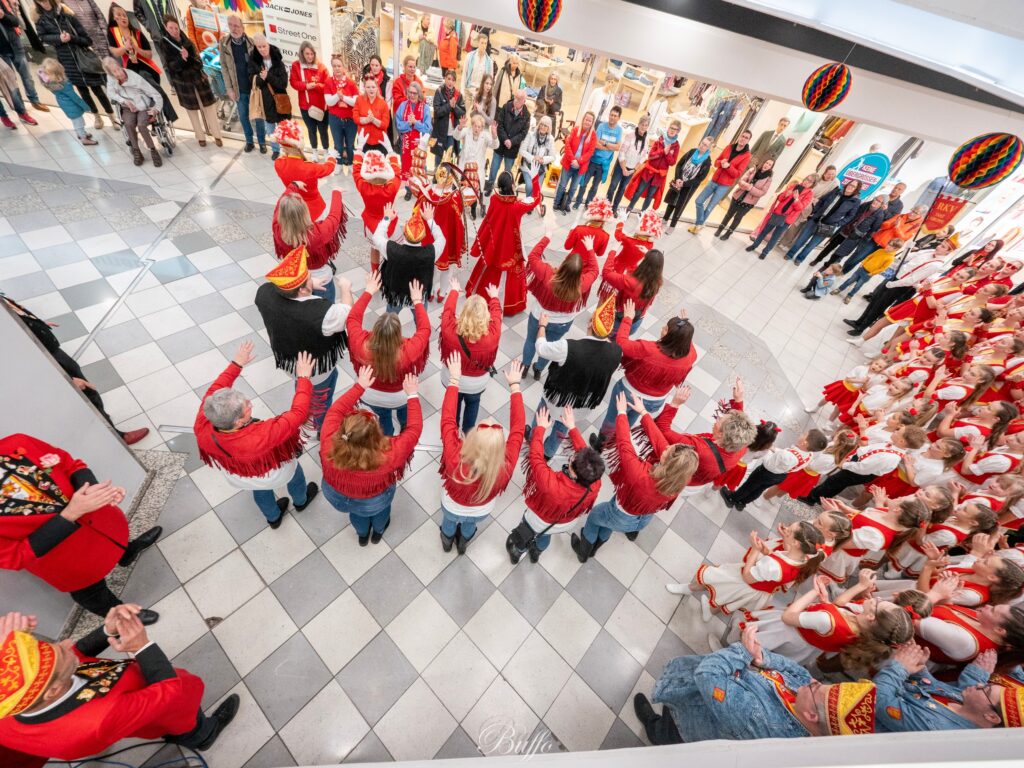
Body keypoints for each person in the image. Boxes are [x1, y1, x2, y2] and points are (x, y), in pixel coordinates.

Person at [0, 607, 239, 764]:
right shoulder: (98, 720)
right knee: (186, 721)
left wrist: (107, 630)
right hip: (158, 703)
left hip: (138, 712)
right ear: (52, 691)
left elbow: (74, 656)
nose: (67, 643)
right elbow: (170, 692)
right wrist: (142, 646)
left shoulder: (19, 702)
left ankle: (175, 734)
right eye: (62, 653)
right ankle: (203, 735)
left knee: (161, 726)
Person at [0, 433, 161, 621]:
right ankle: (123, 617)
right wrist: (70, 514)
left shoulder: (17, 442)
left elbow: (70, 464)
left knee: (116, 542)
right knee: (92, 592)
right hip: (63, 558)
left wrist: (92, 489)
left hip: (98, 522)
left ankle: (127, 553)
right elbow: (15, 556)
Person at [636, 625, 877, 743]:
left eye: (816, 687)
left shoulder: (761, 721)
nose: (812, 682)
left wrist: (743, 652)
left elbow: (707, 674)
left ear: (812, 716)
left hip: (697, 717)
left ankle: (654, 730)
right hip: (711, 696)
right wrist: (763, 658)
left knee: (670, 728)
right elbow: (797, 672)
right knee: (676, 702)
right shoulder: (809, 700)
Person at [195, 344, 319, 529]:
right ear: (238, 422)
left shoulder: (203, 422)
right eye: (247, 407)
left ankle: (273, 518)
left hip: (241, 475)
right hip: (275, 473)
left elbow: (216, 389)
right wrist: (303, 378)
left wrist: (237, 364)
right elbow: (298, 413)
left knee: (259, 490)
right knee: (295, 475)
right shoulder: (262, 434)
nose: (250, 404)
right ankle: (301, 501)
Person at [5, 294, 149, 443]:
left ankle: (105, 424)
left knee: (85, 388)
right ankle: (116, 437)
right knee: (86, 394)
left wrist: (36, 324)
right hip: (43, 359)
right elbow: (18, 357)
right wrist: (66, 380)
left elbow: (12, 312)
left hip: (47, 348)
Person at [572, 392, 698, 561]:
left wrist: (622, 413)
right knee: (607, 524)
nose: (665, 447)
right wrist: (644, 413)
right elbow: (659, 442)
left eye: (668, 450)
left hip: (621, 514)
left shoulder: (640, 475)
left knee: (595, 518)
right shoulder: (679, 479)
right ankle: (594, 548)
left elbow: (624, 445)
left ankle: (583, 552)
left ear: (666, 461)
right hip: (642, 517)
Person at [319, 367, 422, 546]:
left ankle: (362, 534)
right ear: (375, 436)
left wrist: (359, 386)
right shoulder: (388, 455)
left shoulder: (328, 439)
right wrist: (412, 395)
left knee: (356, 514)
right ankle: (378, 532)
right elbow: (413, 430)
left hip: (336, 494)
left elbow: (335, 410)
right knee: (380, 512)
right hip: (373, 499)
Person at [254, 247, 352, 431]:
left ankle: (304, 404)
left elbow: (275, 291)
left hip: (291, 363)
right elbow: (347, 313)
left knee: (301, 384)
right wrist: (345, 289)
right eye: (308, 277)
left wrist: (309, 285)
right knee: (322, 398)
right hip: (318, 371)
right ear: (303, 290)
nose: (310, 277)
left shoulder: (263, 294)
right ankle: (321, 427)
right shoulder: (322, 314)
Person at [439, 357, 525, 553]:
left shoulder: (455, 457)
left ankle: (446, 541)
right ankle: (463, 543)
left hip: (452, 504)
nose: (490, 418)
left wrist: (454, 380)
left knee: (449, 521)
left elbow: (448, 420)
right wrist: (515, 386)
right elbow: (519, 429)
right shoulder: (505, 465)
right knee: (469, 525)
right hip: (482, 509)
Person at [507, 404, 603, 564]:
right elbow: (586, 457)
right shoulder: (595, 481)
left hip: (539, 519)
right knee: (545, 535)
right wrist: (572, 428)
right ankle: (536, 553)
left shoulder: (551, 484)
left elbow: (536, 459)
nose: (573, 455)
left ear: (573, 472)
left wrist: (540, 429)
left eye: (573, 458)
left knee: (528, 530)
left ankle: (519, 550)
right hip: (564, 523)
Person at [346, 271, 430, 436]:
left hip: (369, 393)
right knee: (404, 411)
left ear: (375, 330)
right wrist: (417, 301)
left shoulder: (361, 345)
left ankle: (387, 438)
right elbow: (425, 329)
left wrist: (368, 291)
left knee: (383, 418)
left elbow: (352, 319)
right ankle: (405, 429)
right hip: (400, 394)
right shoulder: (408, 351)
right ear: (399, 334)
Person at [597, 301, 697, 440]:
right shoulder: (690, 356)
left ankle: (601, 443)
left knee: (613, 419)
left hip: (628, 392)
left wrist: (628, 319)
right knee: (632, 417)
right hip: (655, 401)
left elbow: (622, 344)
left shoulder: (648, 349)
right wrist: (684, 330)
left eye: (665, 328)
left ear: (669, 335)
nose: (662, 328)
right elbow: (686, 343)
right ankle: (616, 441)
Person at [875, 644, 1021, 731]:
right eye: (987, 684)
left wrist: (900, 667)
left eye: (986, 690)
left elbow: (878, 699)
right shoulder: (965, 701)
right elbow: (930, 685)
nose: (979, 684)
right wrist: (918, 666)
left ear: (991, 717)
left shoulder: (937, 728)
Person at [531, 320, 623, 459]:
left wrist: (542, 326)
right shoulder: (616, 352)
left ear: (590, 324)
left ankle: (533, 440)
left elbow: (541, 348)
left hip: (555, 398)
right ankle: (548, 453)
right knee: (562, 427)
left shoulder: (567, 347)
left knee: (541, 417)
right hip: (581, 403)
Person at [649, 380, 756, 489]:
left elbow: (662, 429)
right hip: (697, 481)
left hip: (678, 480)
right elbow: (738, 425)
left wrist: (675, 404)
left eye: (720, 420)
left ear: (721, 434)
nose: (717, 418)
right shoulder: (740, 445)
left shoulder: (699, 448)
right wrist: (738, 400)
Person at [521, 230, 599, 379]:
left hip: (539, 316)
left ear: (563, 265)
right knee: (550, 346)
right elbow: (595, 270)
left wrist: (547, 237)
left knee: (531, 340)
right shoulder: (582, 284)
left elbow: (533, 257)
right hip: (562, 323)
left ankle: (524, 367)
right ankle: (538, 370)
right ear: (580, 273)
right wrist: (590, 249)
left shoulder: (547, 274)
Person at [467, 162, 542, 315]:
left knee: (490, 269)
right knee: (510, 273)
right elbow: (536, 198)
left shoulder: (494, 199)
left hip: (494, 242)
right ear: (512, 186)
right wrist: (534, 178)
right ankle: (508, 304)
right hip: (511, 245)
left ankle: (482, 295)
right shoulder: (517, 206)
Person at [34, 0, 110, 128]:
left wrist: (71, 38)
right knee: (83, 91)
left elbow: (87, 40)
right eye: (39, 1)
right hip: (66, 60)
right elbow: (42, 38)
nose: (43, 3)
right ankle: (97, 117)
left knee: (98, 90)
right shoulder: (40, 20)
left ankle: (112, 116)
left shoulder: (67, 14)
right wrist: (59, 38)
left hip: (83, 58)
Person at [439, 277, 502, 431]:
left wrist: (454, 291)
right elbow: (497, 317)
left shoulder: (449, 331)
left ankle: (453, 431)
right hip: (477, 383)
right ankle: (468, 433)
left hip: (452, 378)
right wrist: (494, 298)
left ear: (464, 313)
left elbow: (447, 312)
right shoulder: (493, 335)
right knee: (473, 403)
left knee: (453, 404)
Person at [721, 429, 828, 511]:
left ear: (804, 443)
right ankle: (742, 502)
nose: (801, 434)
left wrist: (767, 451)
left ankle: (732, 498)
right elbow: (786, 459)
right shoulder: (809, 455)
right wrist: (775, 449)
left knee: (749, 486)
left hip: (767, 472)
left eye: (804, 434)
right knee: (759, 489)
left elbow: (769, 464)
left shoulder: (786, 455)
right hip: (781, 476)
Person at [273, 184, 345, 302]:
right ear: (305, 213)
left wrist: (293, 186)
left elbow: (278, 206)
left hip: (296, 282)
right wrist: (336, 192)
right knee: (326, 308)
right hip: (322, 280)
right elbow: (334, 217)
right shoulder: (318, 234)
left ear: (281, 215)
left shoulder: (277, 230)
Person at [159, 15, 222, 148]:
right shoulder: (164, 44)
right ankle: (200, 137)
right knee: (192, 112)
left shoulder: (187, 41)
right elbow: (171, 67)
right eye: (171, 28)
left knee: (209, 108)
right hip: (183, 84)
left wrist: (188, 58)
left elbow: (199, 62)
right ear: (166, 28)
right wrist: (182, 60)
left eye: (176, 28)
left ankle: (217, 135)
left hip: (198, 80)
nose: (174, 31)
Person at [106, 3, 174, 122]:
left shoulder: (136, 32)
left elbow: (149, 54)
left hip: (145, 67)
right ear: (114, 18)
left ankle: (163, 115)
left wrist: (136, 48)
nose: (123, 17)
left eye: (124, 15)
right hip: (129, 70)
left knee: (151, 85)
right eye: (119, 15)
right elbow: (115, 52)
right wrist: (125, 47)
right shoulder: (112, 33)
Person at [372, 203, 445, 312]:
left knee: (390, 318)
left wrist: (387, 218)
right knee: (420, 319)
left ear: (404, 233)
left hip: (396, 294)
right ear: (424, 235)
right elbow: (441, 239)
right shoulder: (430, 253)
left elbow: (376, 237)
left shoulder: (393, 250)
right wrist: (430, 220)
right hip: (418, 297)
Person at [102, 56, 162, 167]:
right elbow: (110, 93)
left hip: (143, 106)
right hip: (128, 107)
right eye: (114, 72)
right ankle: (137, 151)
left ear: (120, 66)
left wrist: (156, 109)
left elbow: (156, 94)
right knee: (128, 124)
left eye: (118, 69)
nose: (118, 73)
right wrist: (124, 101)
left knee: (141, 125)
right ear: (110, 74)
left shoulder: (134, 78)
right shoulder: (111, 78)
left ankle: (153, 150)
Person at [785, 180, 863, 264]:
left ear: (856, 189)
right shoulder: (836, 191)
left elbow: (850, 216)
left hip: (828, 226)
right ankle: (790, 254)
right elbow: (821, 201)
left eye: (853, 186)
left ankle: (800, 259)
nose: (850, 187)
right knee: (801, 239)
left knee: (811, 245)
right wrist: (815, 211)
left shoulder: (855, 201)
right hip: (815, 220)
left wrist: (838, 223)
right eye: (850, 184)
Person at [352, 131, 400, 269]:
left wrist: (359, 149)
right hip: (390, 223)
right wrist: (390, 151)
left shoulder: (364, 187)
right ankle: (391, 272)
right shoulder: (391, 188)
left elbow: (356, 171)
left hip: (371, 224)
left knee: (375, 248)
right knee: (393, 250)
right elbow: (397, 172)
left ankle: (374, 272)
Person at [690, 130, 753, 232]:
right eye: (743, 136)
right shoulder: (729, 147)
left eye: (746, 138)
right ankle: (700, 223)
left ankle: (697, 227)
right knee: (699, 201)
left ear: (748, 140)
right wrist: (721, 163)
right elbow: (716, 162)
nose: (743, 139)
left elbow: (737, 174)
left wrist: (728, 166)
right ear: (739, 136)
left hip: (724, 186)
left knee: (710, 207)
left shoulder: (747, 155)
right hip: (714, 180)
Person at [272, 119, 335, 219]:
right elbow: (328, 168)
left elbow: (284, 157)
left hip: (293, 208)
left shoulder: (278, 164)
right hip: (314, 209)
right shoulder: (309, 167)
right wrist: (332, 158)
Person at [744, 175, 817, 259]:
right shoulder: (794, 185)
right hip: (778, 213)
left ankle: (765, 252)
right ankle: (754, 245)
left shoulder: (809, 194)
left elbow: (800, 208)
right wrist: (786, 194)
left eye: (810, 181)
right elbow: (780, 198)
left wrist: (796, 199)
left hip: (787, 219)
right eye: (807, 179)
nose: (807, 182)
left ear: (813, 184)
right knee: (764, 231)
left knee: (775, 237)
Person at [810, 194, 888, 270]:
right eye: (876, 199)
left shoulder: (879, 216)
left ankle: (827, 265)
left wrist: (862, 238)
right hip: (846, 229)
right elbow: (853, 214)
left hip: (855, 236)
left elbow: (873, 230)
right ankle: (817, 259)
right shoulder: (865, 205)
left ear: (882, 205)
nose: (876, 201)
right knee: (830, 246)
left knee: (839, 253)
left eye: (879, 201)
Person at [842, 205, 927, 275]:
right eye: (912, 210)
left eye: (916, 213)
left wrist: (897, 227)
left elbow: (903, 238)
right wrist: (892, 224)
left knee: (870, 266)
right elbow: (883, 225)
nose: (912, 213)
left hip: (887, 249)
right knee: (857, 257)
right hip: (875, 241)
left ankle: (853, 281)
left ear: (921, 215)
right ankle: (842, 271)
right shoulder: (900, 216)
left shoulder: (916, 226)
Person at [601, 246, 664, 337]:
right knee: (620, 340)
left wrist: (612, 251)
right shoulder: (657, 281)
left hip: (620, 320)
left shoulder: (629, 282)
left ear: (644, 263)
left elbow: (606, 273)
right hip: (637, 320)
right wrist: (649, 255)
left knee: (610, 339)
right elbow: (652, 266)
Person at [624, 119, 682, 215]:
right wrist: (662, 151)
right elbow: (651, 155)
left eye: (675, 129)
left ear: (678, 131)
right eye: (671, 128)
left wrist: (667, 154)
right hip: (649, 172)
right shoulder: (660, 140)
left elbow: (672, 162)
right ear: (668, 128)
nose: (672, 130)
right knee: (639, 191)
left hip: (659, 176)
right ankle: (629, 209)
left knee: (650, 195)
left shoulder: (676, 146)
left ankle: (642, 213)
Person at [219, 15, 258, 152]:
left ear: (243, 27)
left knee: (258, 117)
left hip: (253, 89)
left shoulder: (252, 43)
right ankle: (249, 141)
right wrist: (229, 89)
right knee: (243, 116)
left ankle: (262, 142)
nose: (233, 28)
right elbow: (224, 67)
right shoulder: (224, 44)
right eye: (231, 25)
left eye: (236, 26)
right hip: (238, 89)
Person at [574, 105, 623, 208]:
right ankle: (577, 202)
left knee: (594, 187)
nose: (612, 117)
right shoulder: (601, 126)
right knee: (583, 183)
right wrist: (610, 147)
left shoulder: (619, 130)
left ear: (618, 118)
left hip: (603, 165)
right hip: (592, 160)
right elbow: (595, 143)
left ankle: (588, 205)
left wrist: (604, 143)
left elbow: (618, 147)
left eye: (615, 116)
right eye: (611, 115)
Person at [35, 60, 94, 144]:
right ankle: (83, 138)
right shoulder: (64, 85)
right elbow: (75, 97)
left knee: (75, 120)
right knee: (79, 122)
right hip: (72, 105)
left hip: (64, 104)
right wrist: (86, 107)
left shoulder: (50, 83)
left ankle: (82, 133)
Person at [249, 33, 289, 157]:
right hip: (265, 101)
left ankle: (287, 150)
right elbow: (252, 81)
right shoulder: (254, 61)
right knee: (271, 128)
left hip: (281, 100)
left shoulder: (278, 61)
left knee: (283, 128)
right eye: (259, 47)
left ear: (268, 45)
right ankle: (275, 150)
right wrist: (261, 78)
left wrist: (268, 76)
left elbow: (283, 84)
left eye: (264, 46)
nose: (262, 49)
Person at [1, 0, 45, 112]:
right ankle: (21, 109)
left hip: (15, 45)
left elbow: (15, 21)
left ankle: (35, 100)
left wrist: (3, 16)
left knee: (27, 76)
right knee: (11, 82)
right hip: (1, 52)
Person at [661, 137, 712, 233]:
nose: (702, 145)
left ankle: (672, 226)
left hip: (689, 187)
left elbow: (699, 179)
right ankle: (665, 219)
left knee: (680, 205)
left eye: (705, 145)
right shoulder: (692, 151)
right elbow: (679, 164)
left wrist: (684, 183)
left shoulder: (707, 162)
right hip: (678, 181)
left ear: (708, 148)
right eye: (702, 143)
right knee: (672, 201)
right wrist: (678, 178)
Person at [714, 159, 774, 240]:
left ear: (771, 167)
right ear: (763, 162)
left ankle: (728, 234)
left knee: (738, 218)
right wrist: (747, 186)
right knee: (729, 214)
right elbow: (741, 181)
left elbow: (762, 192)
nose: (767, 165)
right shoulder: (753, 170)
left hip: (749, 203)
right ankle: (719, 229)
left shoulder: (768, 179)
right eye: (766, 162)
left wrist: (751, 188)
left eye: (770, 165)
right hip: (738, 196)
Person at [485, 89, 530, 196]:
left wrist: (512, 142)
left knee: (507, 171)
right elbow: (499, 125)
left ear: (524, 101)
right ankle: (490, 186)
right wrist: (505, 139)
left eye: (519, 99)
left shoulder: (527, 115)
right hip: (500, 145)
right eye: (515, 97)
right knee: (494, 168)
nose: (516, 100)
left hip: (512, 149)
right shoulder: (506, 107)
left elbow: (523, 133)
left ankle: (505, 190)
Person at [289, 40, 329, 156]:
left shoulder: (321, 67)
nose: (310, 56)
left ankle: (326, 152)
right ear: (302, 53)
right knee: (311, 130)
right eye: (307, 54)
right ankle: (314, 151)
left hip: (321, 106)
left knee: (323, 131)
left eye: (312, 54)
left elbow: (328, 86)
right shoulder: (296, 66)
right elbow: (293, 83)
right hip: (305, 106)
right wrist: (305, 86)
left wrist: (316, 85)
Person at [834, 237, 903, 304]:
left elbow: (882, 268)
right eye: (889, 244)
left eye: (891, 246)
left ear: (896, 249)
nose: (888, 246)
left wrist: (872, 273)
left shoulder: (890, 258)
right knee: (850, 280)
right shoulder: (880, 251)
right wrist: (862, 263)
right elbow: (869, 257)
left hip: (868, 274)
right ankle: (839, 289)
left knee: (858, 286)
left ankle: (850, 296)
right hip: (862, 268)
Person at [552, 111, 596, 214]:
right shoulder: (575, 129)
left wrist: (578, 161)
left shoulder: (593, 135)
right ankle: (556, 202)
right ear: (583, 119)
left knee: (573, 188)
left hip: (581, 167)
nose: (587, 122)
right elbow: (567, 145)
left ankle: (567, 204)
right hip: (569, 163)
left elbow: (590, 152)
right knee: (562, 185)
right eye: (586, 119)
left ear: (592, 123)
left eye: (590, 121)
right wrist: (573, 160)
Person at [455, 114, 497, 220]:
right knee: (461, 186)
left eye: (479, 127)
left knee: (475, 187)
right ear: (472, 125)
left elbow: (495, 145)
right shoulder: (466, 131)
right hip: (465, 166)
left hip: (477, 169)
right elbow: (456, 136)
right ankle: (459, 205)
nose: (476, 129)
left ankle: (473, 208)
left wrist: (494, 135)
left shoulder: (485, 135)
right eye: (475, 126)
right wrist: (460, 127)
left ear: (482, 128)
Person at [395, 81, 431, 200]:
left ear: (419, 94)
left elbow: (428, 128)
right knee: (406, 166)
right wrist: (408, 124)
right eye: (410, 92)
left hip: (419, 145)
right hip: (406, 144)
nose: (412, 95)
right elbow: (398, 124)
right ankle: (408, 189)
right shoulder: (403, 106)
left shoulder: (425, 108)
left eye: (414, 93)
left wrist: (416, 123)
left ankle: (421, 188)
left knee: (420, 166)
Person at [607, 113, 649, 216]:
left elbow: (643, 157)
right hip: (621, 166)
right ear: (638, 124)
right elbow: (622, 152)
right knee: (613, 186)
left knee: (622, 189)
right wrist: (624, 169)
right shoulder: (630, 135)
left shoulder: (647, 140)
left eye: (646, 125)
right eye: (642, 124)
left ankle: (614, 208)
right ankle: (607, 207)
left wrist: (634, 169)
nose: (643, 127)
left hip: (631, 169)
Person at [324, 56, 358, 168]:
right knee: (338, 145)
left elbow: (355, 102)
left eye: (339, 66)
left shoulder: (351, 83)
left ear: (343, 67)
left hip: (350, 120)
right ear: (332, 68)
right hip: (335, 119)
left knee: (350, 145)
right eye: (334, 66)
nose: (337, 68)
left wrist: (343, 97)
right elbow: (329, 102)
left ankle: (351, 164)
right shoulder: (328, 82)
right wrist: (337, 96)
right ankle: (338, 164)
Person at [518, 114, 556, 207]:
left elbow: (553, 157)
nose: (542, 127)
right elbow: (521, 150)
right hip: (528, 166)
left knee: (536, 188)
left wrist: (543, 159)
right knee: (530, 186)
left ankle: (532, 202)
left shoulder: (550, 139)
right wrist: (533, 158)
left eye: (545, 126)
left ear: (549, 128)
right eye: (541, 124)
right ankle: (529, 202)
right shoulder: (530, 135)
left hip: (540, 168)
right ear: (539, 124)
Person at [430, 68, 465, 166]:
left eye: (453, 80)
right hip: (440, 131)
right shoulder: (439, 92)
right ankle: (436, 174)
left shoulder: (458, 95)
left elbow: (462, 113)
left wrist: (454, 107)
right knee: (438, 157)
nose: (450, 82)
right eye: (449, 79)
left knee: (449, 158)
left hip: (452, 133)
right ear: (445, 78)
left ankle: (447, 175)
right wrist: (449, 105)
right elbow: (437, 111)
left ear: (455, 82)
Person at [354, 72, 390, 154]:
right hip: (363, 141)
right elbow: (355, 118)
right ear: (365, 88)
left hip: (380, 142)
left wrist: (373, 120)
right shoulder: (359, 100)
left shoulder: (383, 103)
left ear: (377, 88)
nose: (371, 89)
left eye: (373, 87)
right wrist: (367, 120)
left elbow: (385, 124)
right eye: (368, 87)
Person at [460, 31, 493, 103]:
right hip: (469, 91)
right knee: (467, 110)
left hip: (481, 94)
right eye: (482, 43)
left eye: (485, 43)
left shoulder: (489, 61)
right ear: (478, 43)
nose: (484, 45)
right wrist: (462, 91)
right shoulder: (469, 56)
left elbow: (490, 80)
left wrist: (487, 96)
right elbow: (464, 74)